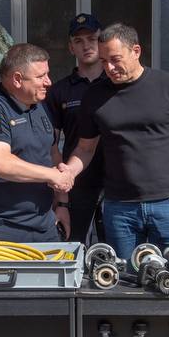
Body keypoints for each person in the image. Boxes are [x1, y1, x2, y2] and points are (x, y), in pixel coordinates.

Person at [63, 23, 169, 258]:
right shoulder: (95, 95)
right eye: (103, 61)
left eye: (115, 59)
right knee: (124, 282)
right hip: (119, 207)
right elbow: (85, 148)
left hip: (168, 203)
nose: (109, 68)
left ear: (136, 51)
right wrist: (69, 171)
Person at [0, 43, 70, 242]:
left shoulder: (40, 107)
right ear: (17, 79)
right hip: (3, 228)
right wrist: (51, 175)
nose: (48, 82)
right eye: (41, 77)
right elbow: (1, 164)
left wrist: (62, 205)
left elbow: (52, 153)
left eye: (47, 74)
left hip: (45, 224)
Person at [45, 13, 108, 244]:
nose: (86, 46)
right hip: (76, 184)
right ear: (71, 48)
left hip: (117, 184)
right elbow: (52, 146)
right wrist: (61, 198)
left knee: (117, 257)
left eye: (92, 39)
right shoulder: (58, 91)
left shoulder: (116, 85)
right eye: (79, 41)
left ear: (101, 43)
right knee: (76, 247)